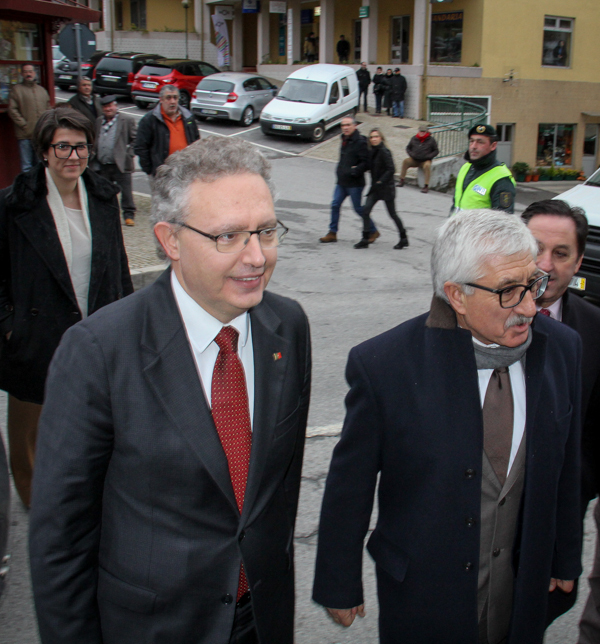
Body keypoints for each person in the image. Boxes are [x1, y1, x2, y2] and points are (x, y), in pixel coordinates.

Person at [29, 137, 311, 644]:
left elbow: (280, 493)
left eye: (266, 231)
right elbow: (60, 542)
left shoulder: (288, 327)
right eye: (228, 236)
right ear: (170, 240)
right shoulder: (98, 352)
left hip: (263, 619)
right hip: (154, 627)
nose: (256, 256)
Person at [313, 209, 583, 644]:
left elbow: (566, 463)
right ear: (457, 295)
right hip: (425, 596)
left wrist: (565, 556)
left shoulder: (563, 349)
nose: (530, 307)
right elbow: (351, 484)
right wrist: (337, 580)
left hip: (521, 591)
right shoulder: (385, 365)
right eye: (508, 292)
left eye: (532, 284)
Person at [0, 106, 133, 508]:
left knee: (93, 428)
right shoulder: (14, 204)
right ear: (44, 151)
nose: (73, 156)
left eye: (81, 147)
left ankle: (85, 505)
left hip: (94, 337)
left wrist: (128, 322)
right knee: (30, 440)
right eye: (63, 147)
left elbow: (118, 267)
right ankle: (38, 510)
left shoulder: (103, 198)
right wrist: (11, 326)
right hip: (34, 341)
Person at [520, 200, 600, 634]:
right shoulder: (471, 314)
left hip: (550, 530)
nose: (545, 265)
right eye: (535, 248)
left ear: (579, 261)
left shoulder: (595, 330)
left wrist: (564, 514)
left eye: (561, 253)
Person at [319, 116, 377, 244]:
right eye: (343, 125)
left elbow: (366, 163)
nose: (345, 128)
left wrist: (354, 171)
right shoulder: (344, 139)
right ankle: (332, 232)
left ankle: (373, 230)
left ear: (354, 126)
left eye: (348, 125)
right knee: (335, 204)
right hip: (342, 181)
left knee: (358, 208)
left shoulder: (361, 142)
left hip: (355, 183)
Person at [354, 128, 408, 250]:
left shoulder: (384, 151)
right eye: (371, 137)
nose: (374, 139)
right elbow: (368, 166)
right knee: (366, 211)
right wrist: (357, 168)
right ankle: (365, 238)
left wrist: (381, 181)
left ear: (381, 138)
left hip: (386, 188)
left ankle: (403, 238)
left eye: (376, 137)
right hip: (375, 189)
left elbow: (391, 169)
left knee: (392, 214)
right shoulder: (371, 151)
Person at [134, 84, 199, 178]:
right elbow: (140, 147)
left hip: (186, 171)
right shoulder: (149, 120)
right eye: (168, 98)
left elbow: (197, 142)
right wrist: (150, 170)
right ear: (161, 99)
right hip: (163, 173)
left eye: (175, 98)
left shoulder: (188, 117)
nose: (172, 101)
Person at [92, 95, 137, 226]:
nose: (108, 109)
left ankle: (128, 215)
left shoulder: (126, 120)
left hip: (121, 163)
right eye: (105, 107)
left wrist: (129, 154)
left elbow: (136, 139)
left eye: (110, 106)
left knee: (126, 192)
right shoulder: (99, 121)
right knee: (105, 191)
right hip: (103, 164)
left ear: (115, 106)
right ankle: (107, 214)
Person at [451, 124, 515, 215]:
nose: (473, 146)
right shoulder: (466, 167)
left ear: (493, 146)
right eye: (471, 141)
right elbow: (456, 203)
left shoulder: (501, 178)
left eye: (480, 142)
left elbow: (504, 218)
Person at [8, 63, 50, 172]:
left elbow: (48, 109)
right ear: (22, 74)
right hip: (25, 134)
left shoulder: (42, 90)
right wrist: (23, 124)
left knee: (41, 163)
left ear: (34, 73)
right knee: (26, 166)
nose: (28, 74)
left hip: (40, 134)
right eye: (25, 71)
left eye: (30, 71)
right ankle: (28, 183)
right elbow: (12, 110)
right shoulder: (17, 90)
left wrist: (46, 125)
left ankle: (40, 183)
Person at [399, 124, 440, 194]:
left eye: (424, 132)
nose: (422, 133)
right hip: (414, 159)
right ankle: (402, 180)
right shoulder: (414, 138)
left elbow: (436, 151)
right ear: (418, 131)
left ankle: (426, 186)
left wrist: (429, 156)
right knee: (405, 161)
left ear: (426, 132)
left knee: (427, 166)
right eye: (421, 131)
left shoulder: (431, 140)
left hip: (425, 160)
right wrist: (412, 154)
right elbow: (408, 148)